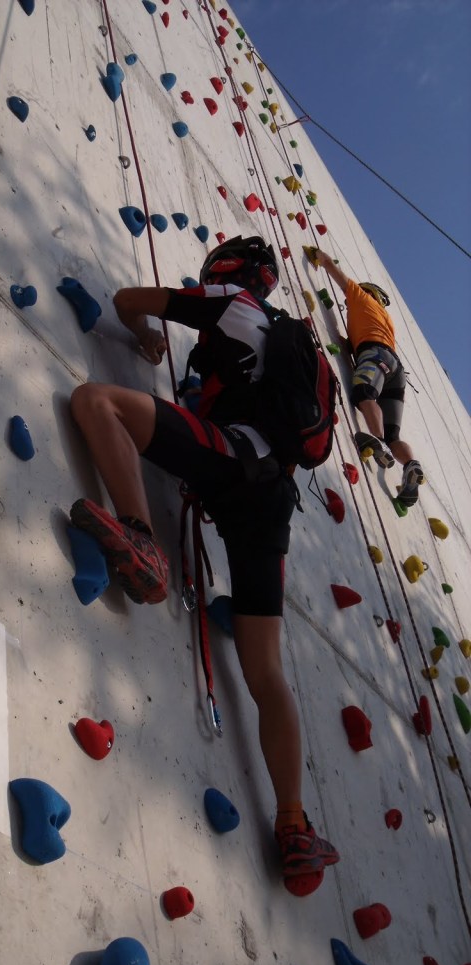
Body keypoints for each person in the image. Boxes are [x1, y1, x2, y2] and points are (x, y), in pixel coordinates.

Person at [69, 235, 339, 896]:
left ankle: (141, 540)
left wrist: (145, 337)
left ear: (227, 272)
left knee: (97, 402)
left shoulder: (230, 302)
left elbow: (128, 301)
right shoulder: (286, 344)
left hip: (228, 459)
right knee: (265, 671)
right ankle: (295, 824)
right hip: (272, 500)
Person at [313, 249, 424, 507]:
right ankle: (410, 465)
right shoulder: (386, 319)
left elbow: (333, 270)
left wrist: (318, 255)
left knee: (364, 392)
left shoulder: (361, 297)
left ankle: (379, 443)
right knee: (395, 434)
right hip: (395, 368)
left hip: (375, 354)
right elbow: (355, 342)